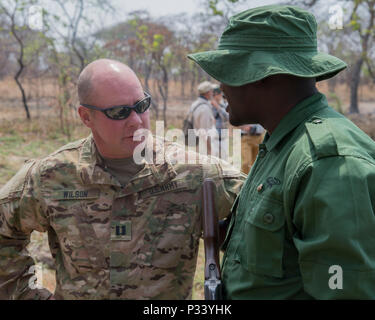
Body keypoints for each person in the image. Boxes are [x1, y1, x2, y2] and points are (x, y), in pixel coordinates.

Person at [0, 59, 245, 300]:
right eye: (119, 112)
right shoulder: (52, 176)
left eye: (141, 105)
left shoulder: (193, 172)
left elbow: (265, 213)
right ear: (86, 117)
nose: (137, 121)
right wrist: (25, 293)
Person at [188, 5, 375, 299]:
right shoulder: (282, 142)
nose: (221, 86)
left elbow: (343, 290)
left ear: (265, 75)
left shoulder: (328, 160)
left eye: (230, 72)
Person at [188, 81, 220, 157]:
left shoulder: (195, 104)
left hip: (197, 142)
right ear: (208, 93)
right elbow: (204, 131)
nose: (213, 93)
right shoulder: (204, 108)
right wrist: (210, 150)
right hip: (204, 146)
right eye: (212, 91)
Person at [211, 86, 230, 160]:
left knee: (224, 157)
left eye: (217, 95)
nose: (216, 97)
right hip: (213, 137)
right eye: (214, 95)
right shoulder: (210, 106)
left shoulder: (224, 105)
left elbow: (227, 117)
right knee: (214, 158)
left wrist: (218, 107)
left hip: (223, 136)